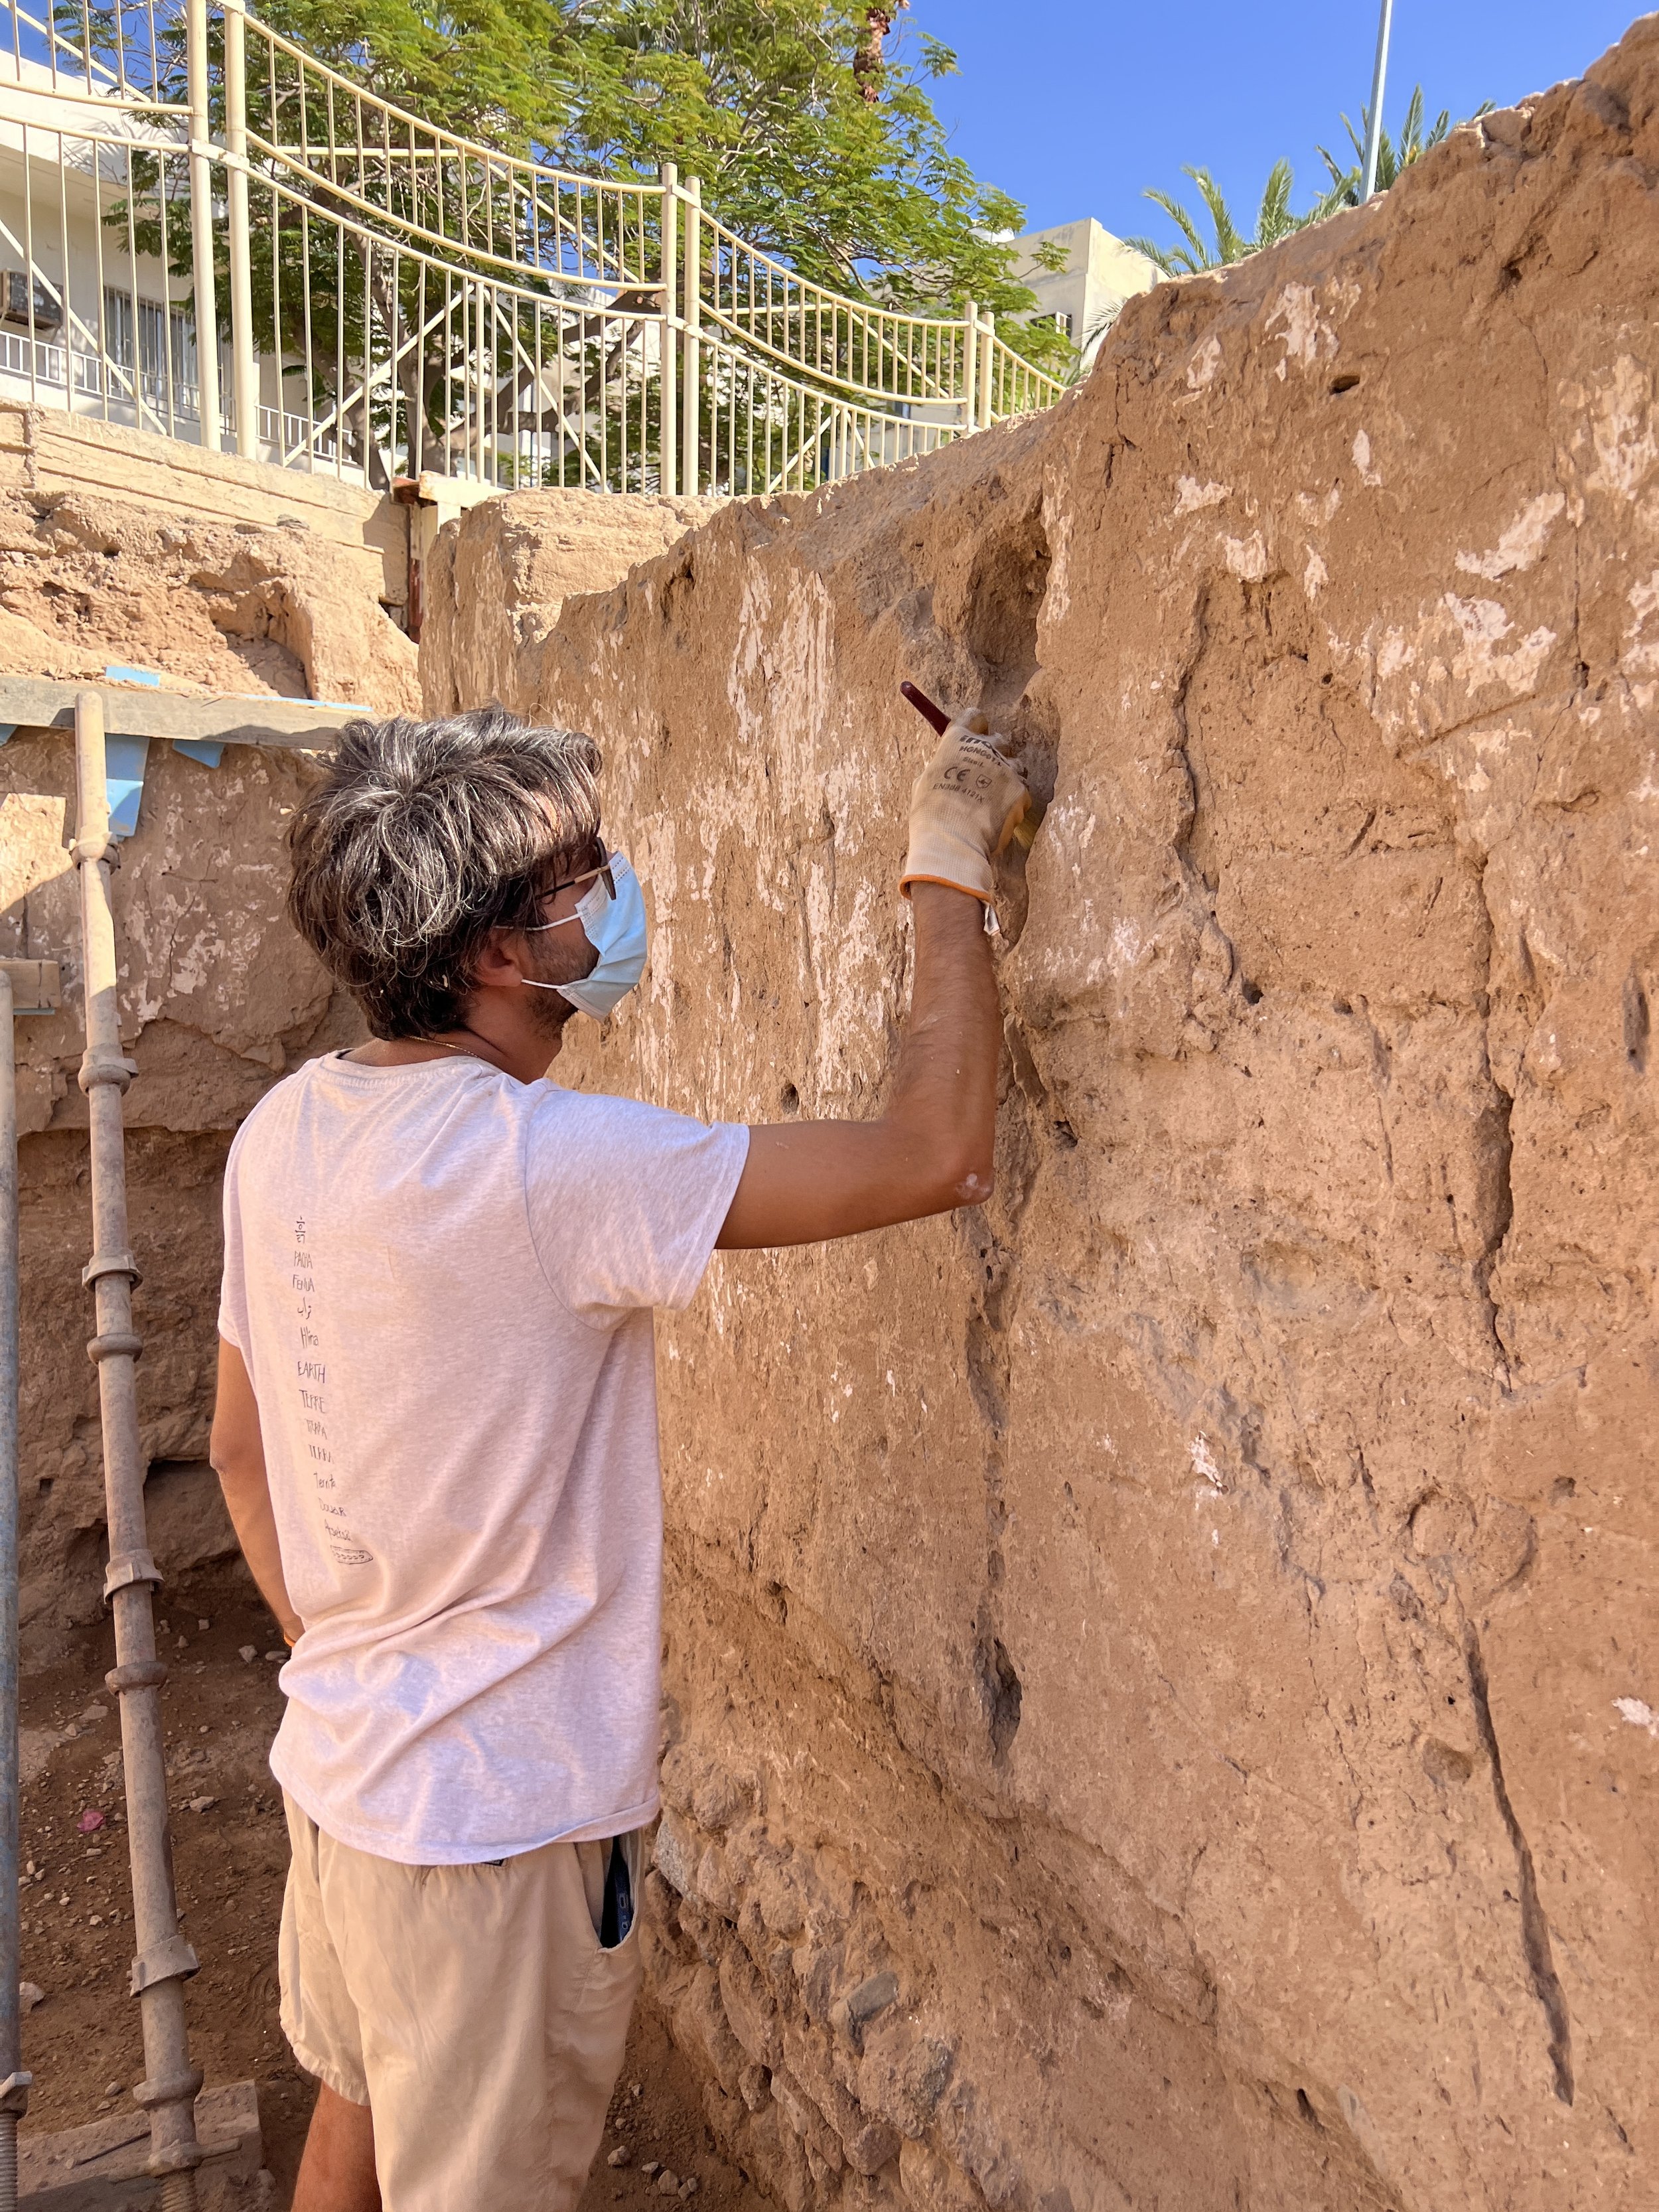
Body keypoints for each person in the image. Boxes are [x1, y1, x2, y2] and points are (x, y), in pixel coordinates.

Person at [209, 702, 1030, 2212]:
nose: (613, 884)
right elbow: (937, 1154)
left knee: (355, 2116)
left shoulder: (283, 1132)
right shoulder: (544, 1164)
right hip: (495, 1840)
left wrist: (367, 1678)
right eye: (577, 871)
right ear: (492, 953)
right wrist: (947, 859)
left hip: (339, 1780)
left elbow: (239, 1452)